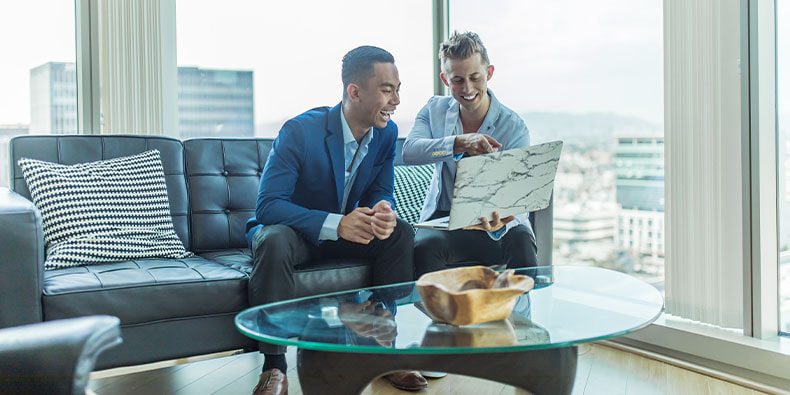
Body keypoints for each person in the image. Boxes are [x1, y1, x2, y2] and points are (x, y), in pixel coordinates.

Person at [245, 46, 424, 395]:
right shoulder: (300, 131)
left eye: (398, 88)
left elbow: (380, 189)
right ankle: (275, 368)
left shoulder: (386, 133)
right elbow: (268, 206)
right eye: (387, 89)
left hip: (342, 232)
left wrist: (382, 211)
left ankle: (382, 346)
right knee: (274, 239)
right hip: (294, 234)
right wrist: (335, 223)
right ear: (354, 92)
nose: (397, 100)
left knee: (400, 232)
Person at [402, 31, 538, 277]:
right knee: (424, 247)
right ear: (445, 79)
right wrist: (458, 143)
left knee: (522, 241)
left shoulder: (514, 126)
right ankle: (439, 315)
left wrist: (502, 220)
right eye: (457, 80)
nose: (467, 88)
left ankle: (521, 315)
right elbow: (410, 152)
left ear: (489, 73)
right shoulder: (433, 110)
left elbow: (521, 195)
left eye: (475, 77)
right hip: (445, 220)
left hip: (496, 222)